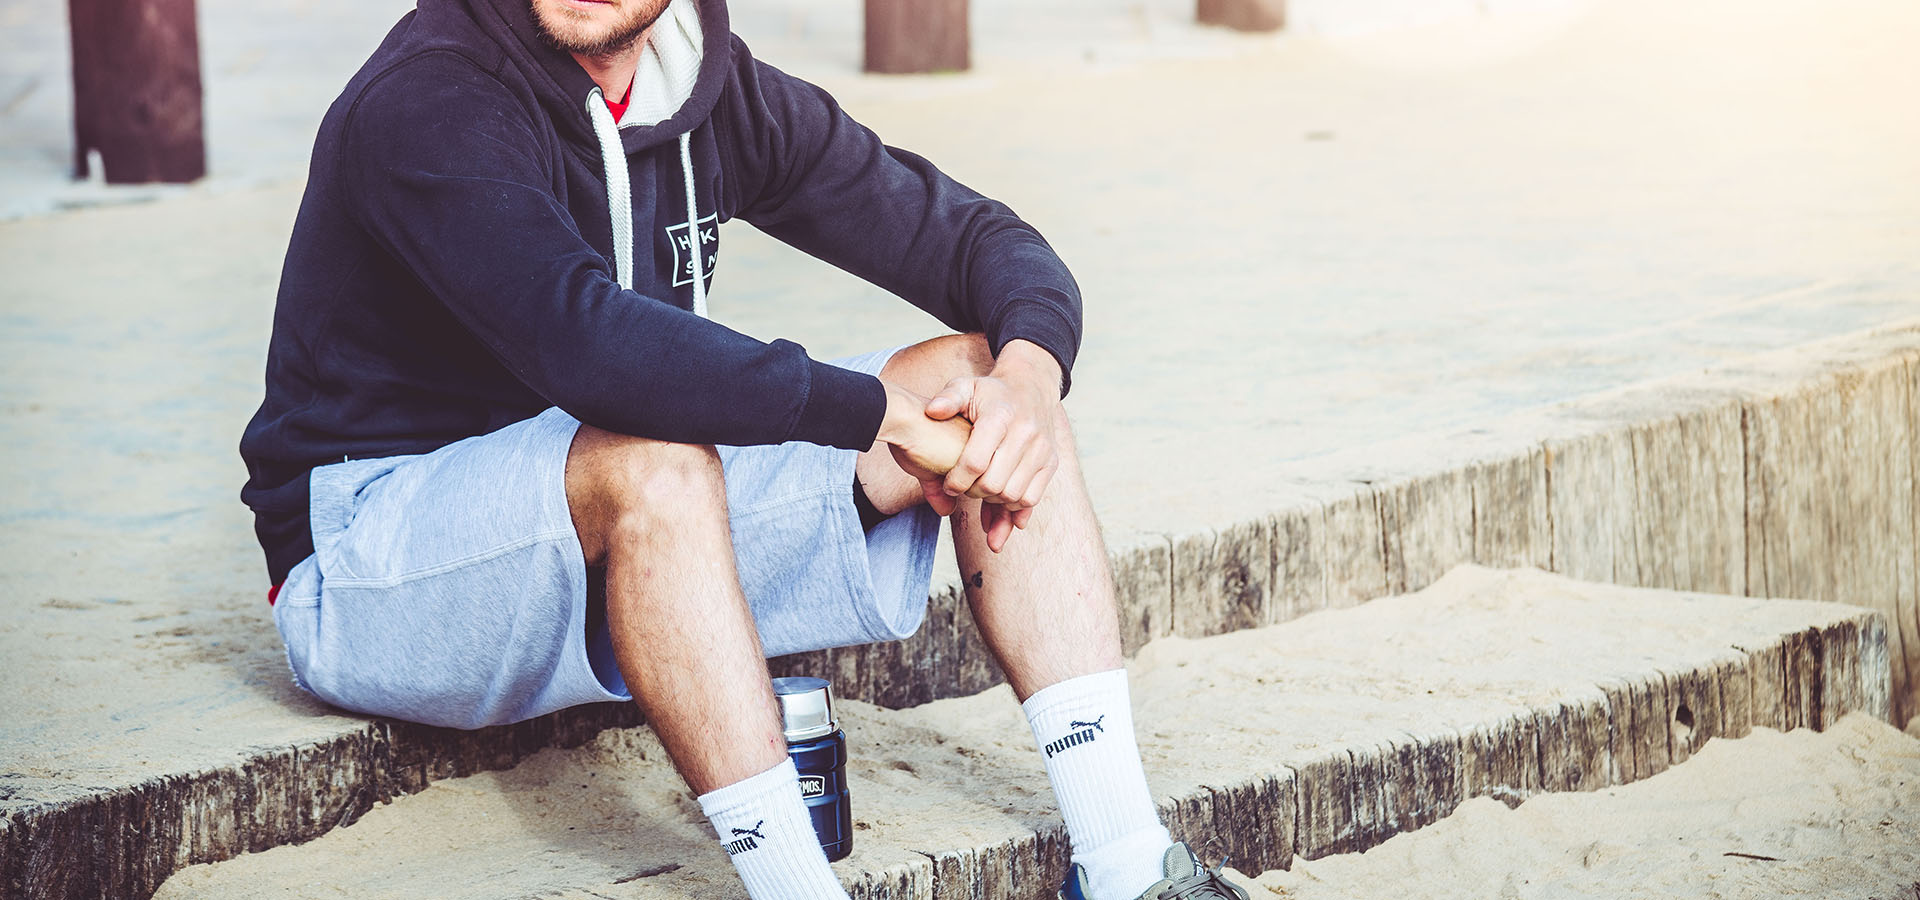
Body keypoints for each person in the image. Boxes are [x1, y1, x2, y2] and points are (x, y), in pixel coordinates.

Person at [238, 1, 1247, 898]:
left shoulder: (706, 88)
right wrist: (868, 413)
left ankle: (1125, 862)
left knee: (972, 376)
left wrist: (1030, 374)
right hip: (374, 562)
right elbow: (587, 346)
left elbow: (974, 239)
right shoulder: (429, 95)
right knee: (655, 459)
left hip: (595, 533)